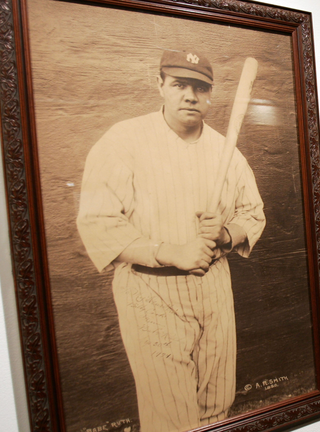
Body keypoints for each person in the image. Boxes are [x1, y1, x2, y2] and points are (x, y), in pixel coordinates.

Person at [77, 49, 266, 432]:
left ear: (210, 94)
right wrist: (170, 253)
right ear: (160, 85)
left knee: (218, 408)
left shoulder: (225, 150)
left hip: (214, 286)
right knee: (171, 419)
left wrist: (227, 235)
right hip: (151, 292)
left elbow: (253, 212)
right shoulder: (124, 141)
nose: (190, 96)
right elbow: (98, 222)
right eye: (180, 84)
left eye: (200, 87)